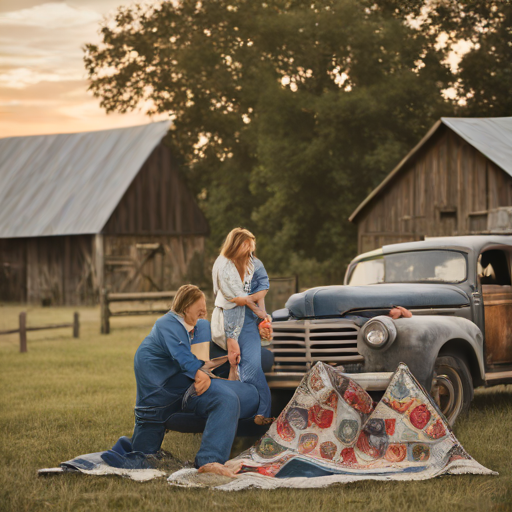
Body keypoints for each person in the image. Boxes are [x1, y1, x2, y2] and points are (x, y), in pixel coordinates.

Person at [131, 284, 260, 469]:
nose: (203, 314)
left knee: (250, 394)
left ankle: (211, 456)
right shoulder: (167, 324)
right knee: (226, 400)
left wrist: (229, 363)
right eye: (199, 311)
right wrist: (201, 375)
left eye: (204, 311)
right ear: (185, 308)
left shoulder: (198, 327)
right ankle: (209, 463)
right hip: (160, 402)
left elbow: (200, 360)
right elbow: (185, 360)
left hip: (182, 389)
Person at [211, 228, 273, 426]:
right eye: (246, 245)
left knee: (251, 368)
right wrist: (231, 337)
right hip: (226, 319)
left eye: (251, 245)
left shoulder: (256, 265)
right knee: (235, 364)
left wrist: (251, 304)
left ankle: (262, 411)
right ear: (235, 245)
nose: (250, 250)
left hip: (247, 321)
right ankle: (239, 411)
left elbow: (263, 288)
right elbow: (228, 300)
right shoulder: (224, 266)